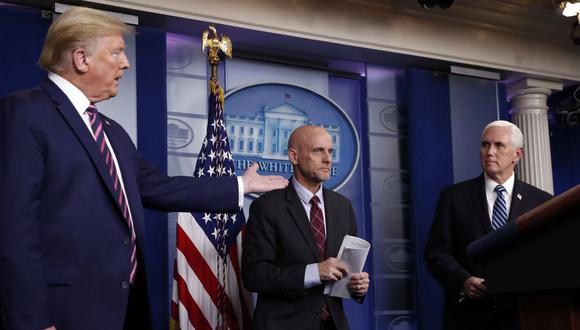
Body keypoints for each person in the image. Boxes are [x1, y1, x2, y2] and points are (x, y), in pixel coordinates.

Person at [0, 7, 288, 330]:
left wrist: (239, 186)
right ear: (81, 59)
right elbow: (14, 228)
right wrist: (33, 322)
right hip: (65, 313)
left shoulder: (113, 132)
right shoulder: (25, 113)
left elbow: (160, 187)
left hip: (126, 309)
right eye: (117, 52)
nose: (125, 63)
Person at [424, 120, 552, 330]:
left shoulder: (541, 202)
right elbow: (436, 253)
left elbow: (546, 257)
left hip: (522, 316)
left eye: (499, 145)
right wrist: (463, 281)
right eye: (485, 145)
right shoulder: (454, 197)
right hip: (467, 318)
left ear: (517, 155)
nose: (490, 151)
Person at [242, 125, 370, 330]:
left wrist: (356, 287)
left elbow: (344, 274)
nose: (328, 159)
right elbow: (254, 276)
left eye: (330, 151)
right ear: (294, 156)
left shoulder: (342, 206)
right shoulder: (266, 207)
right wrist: (314, 272)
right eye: (318, 150)